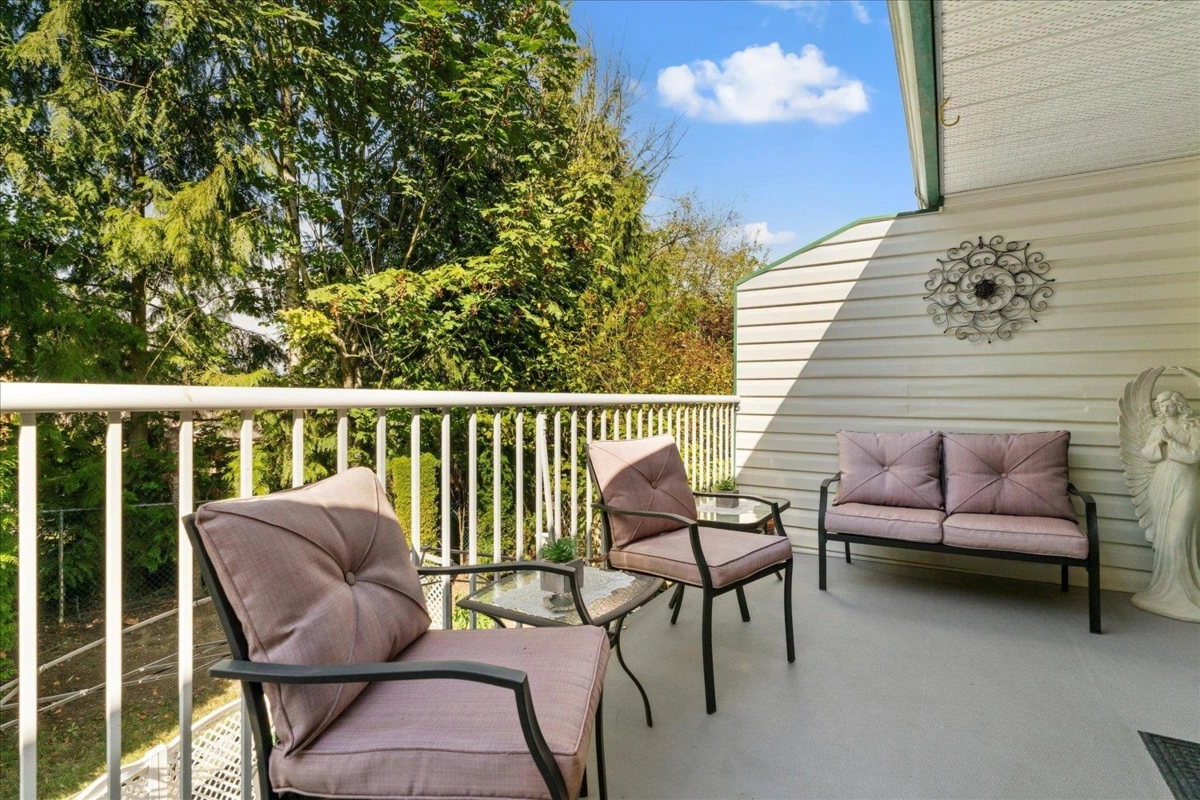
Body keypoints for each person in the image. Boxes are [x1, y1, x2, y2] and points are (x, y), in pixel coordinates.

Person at [1134, 390, 1200, 621]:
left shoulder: (1192, 427)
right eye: (1160, 405)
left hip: (1187, 482)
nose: (1164, 409)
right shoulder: (1157, 428)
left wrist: (1169, 441)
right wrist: (1159, 441)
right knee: (1165, 538)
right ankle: (1166, 590)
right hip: (1162, 482)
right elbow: (1148, 455)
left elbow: (1194, 456)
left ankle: (1185, 593)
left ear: (1179, 404)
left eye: (1168, 404)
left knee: (1177, 536)